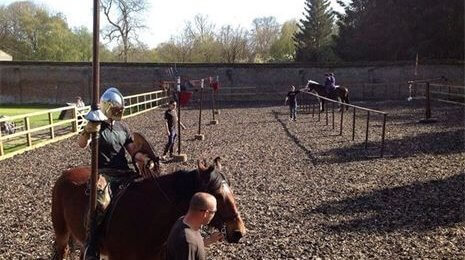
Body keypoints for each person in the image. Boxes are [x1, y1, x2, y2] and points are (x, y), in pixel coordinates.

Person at [78, 87, 154, 259]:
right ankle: (92, 243)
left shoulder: (123, 127)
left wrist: (143, 157)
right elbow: (82, 144)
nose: (118, 113)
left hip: (124, 171)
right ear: (107, 107)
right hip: (103, 173)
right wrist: (87, 130)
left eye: (120, 110)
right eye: (115, 109)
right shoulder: (96, 125)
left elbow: (131, 150)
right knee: (100, 203)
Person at [166, 192, 224, 260]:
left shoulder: (183, 221)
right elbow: (189, 245)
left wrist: (209, 240)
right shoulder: (188, 241)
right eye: (213, 212)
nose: (214, 215)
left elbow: (193, 248)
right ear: (206, 213)